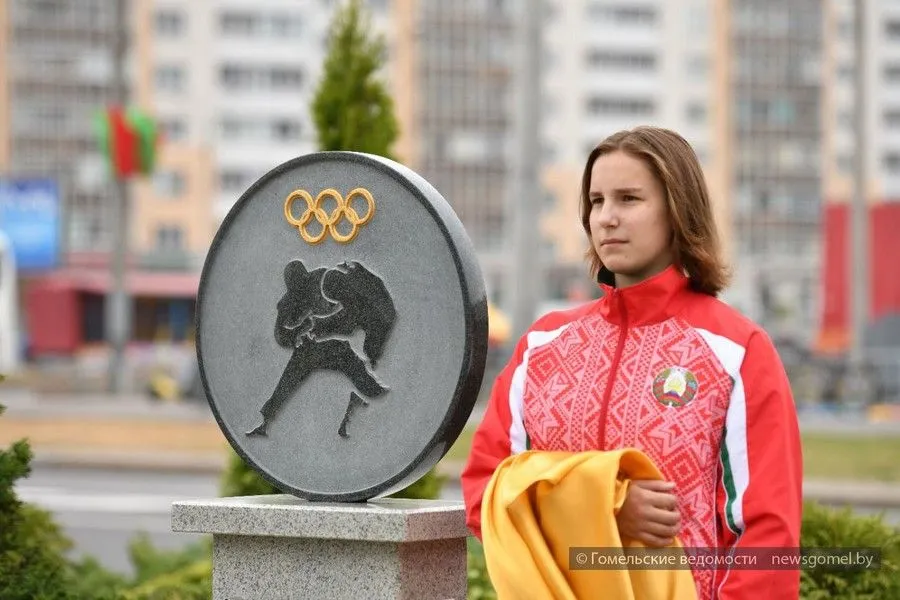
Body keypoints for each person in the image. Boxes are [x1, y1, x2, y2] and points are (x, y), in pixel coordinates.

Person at [461, 126, 803, 599]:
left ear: (678, 210)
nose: (606, 218)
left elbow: (769, 539)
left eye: (628, 199)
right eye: (596, 201)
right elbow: (485, 493)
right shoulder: (542, 346)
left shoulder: (736, 350)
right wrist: (602, 506)